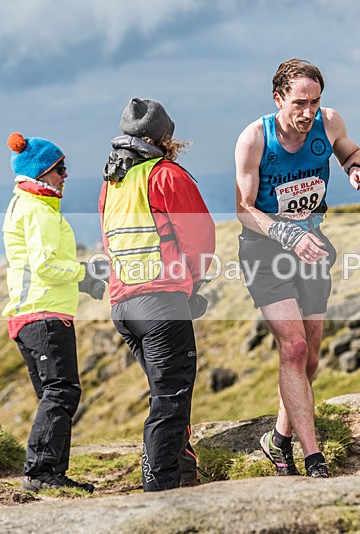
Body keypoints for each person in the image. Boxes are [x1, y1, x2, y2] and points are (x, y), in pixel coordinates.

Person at [235, 58, 360, 478]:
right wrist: (286, 234)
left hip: (313, 247)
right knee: (293, 348)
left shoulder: (329, 123)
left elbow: (349, 150)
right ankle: (311, 456)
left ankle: (277, 439)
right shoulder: (254, 138)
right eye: (299, 103)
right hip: (265, 250)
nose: (308, 112)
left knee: (311, 359)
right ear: (278, 98)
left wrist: (356, 169)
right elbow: (243, 209)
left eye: (314, 101)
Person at [99, 98, 216, 491]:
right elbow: (200, 237)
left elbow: (108, 244)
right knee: (169, 400)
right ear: (163, 136)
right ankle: (160, 492)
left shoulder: (111, 185)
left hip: (123, 306)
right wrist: (193, 284)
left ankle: (182, 476)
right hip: (161, 305)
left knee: (166, 395)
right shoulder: (165, 175)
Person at [2, 132, 104, 493]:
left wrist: (83, 281)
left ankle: (52, 474)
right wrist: (85, 273)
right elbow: (45, 265)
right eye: (60, 168)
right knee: (62, 391)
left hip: (33, 315)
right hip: (43, 314)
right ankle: (40, 471)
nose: (66, 175)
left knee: (54, 393)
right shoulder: (37, 210)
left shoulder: (27, 205)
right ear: (42, 172)